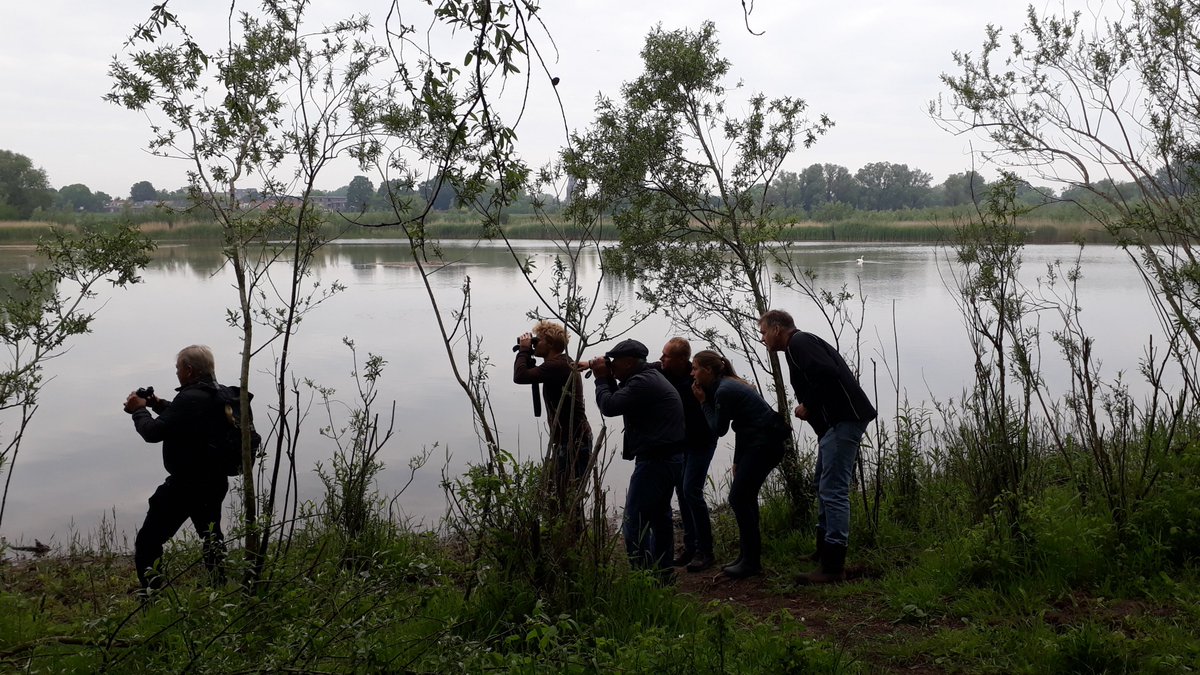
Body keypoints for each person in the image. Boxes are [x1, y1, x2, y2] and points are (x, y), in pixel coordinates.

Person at [758, 309, 877, 583]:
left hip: (845, 420)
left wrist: (808, 405)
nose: (763, 339)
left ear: (777, 329)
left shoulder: (799, 343)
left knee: (833, 489)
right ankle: (823, 551)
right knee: (821, 482)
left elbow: (827, 374)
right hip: (835, 423)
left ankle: (833, 566)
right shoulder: (796, 346)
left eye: (763, 333)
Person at [124, 345, 230, 592]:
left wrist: (138, 410)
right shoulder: (221, 394)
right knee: (211, 537)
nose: (177, 373)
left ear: (189, 370)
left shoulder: (190, 398)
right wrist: (157, 403)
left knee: (148, 541)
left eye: (178, 368)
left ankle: (151, 594)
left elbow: (152, 433)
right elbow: (185, 417)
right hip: (215, 481)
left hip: (186, 486)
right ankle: (219, 586)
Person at [587, 339, 685, 577]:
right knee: (660, 517)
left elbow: (610, 406)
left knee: (634, 521)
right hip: (668, 457)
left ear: (629, 363)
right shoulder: (646, 377)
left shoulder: (643, 382)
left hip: (656, 461)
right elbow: (621, 396)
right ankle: (662, 573)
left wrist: (600, 379)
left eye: (615, 361)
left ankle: (643, 576)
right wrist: (608, 376)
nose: (612, 365)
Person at [690, 350, 787, 579]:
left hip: (764, 446)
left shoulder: (724, 390)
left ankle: (751, 562)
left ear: (708, 370)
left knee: (738, 498)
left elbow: (719, 429)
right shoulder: (728, 384)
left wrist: (703, 403)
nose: (692, 373)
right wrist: (737, 460)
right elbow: (744, 425)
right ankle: (747, 556)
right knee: (746, 498)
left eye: (695, 368)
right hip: (761, 444)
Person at [514, 321, 593, 519]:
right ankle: (566, 533)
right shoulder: (560, 363)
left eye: (538, 340)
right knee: (560, 496)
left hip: (574, 441)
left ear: (549, 343)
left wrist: (523, 351)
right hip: (570, 439)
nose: (534, 343)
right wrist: (528, 353)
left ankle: (571, 534)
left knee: (567, 498)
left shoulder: (557, 366)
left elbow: (520, 376)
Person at [652, 337, 718, 572]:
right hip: (682, 443)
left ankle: (705, 551)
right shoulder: (665, 370)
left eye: (666, 356)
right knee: (682, 491)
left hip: (702, 442)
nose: (661, 359)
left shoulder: (697, 378)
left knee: (691, 491)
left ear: (682, 359)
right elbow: (642, 366)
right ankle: (691, 546)